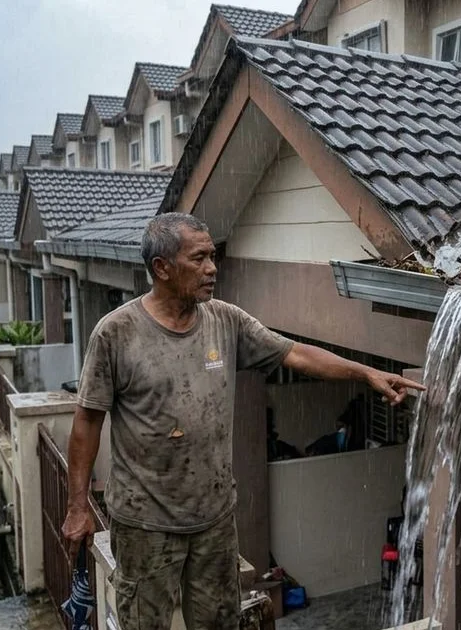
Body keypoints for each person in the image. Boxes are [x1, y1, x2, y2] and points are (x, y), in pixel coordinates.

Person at [61, 213, 425, 630]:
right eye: (199, 259)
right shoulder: (116, 333)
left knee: (221, 623)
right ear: (162, 268)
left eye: (212, 257)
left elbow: (297, 354)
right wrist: (77, 508)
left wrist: (366, 373)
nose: (212, 268)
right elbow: (87, 421)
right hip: (146, 525)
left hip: (214, 520)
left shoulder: (225, 321)